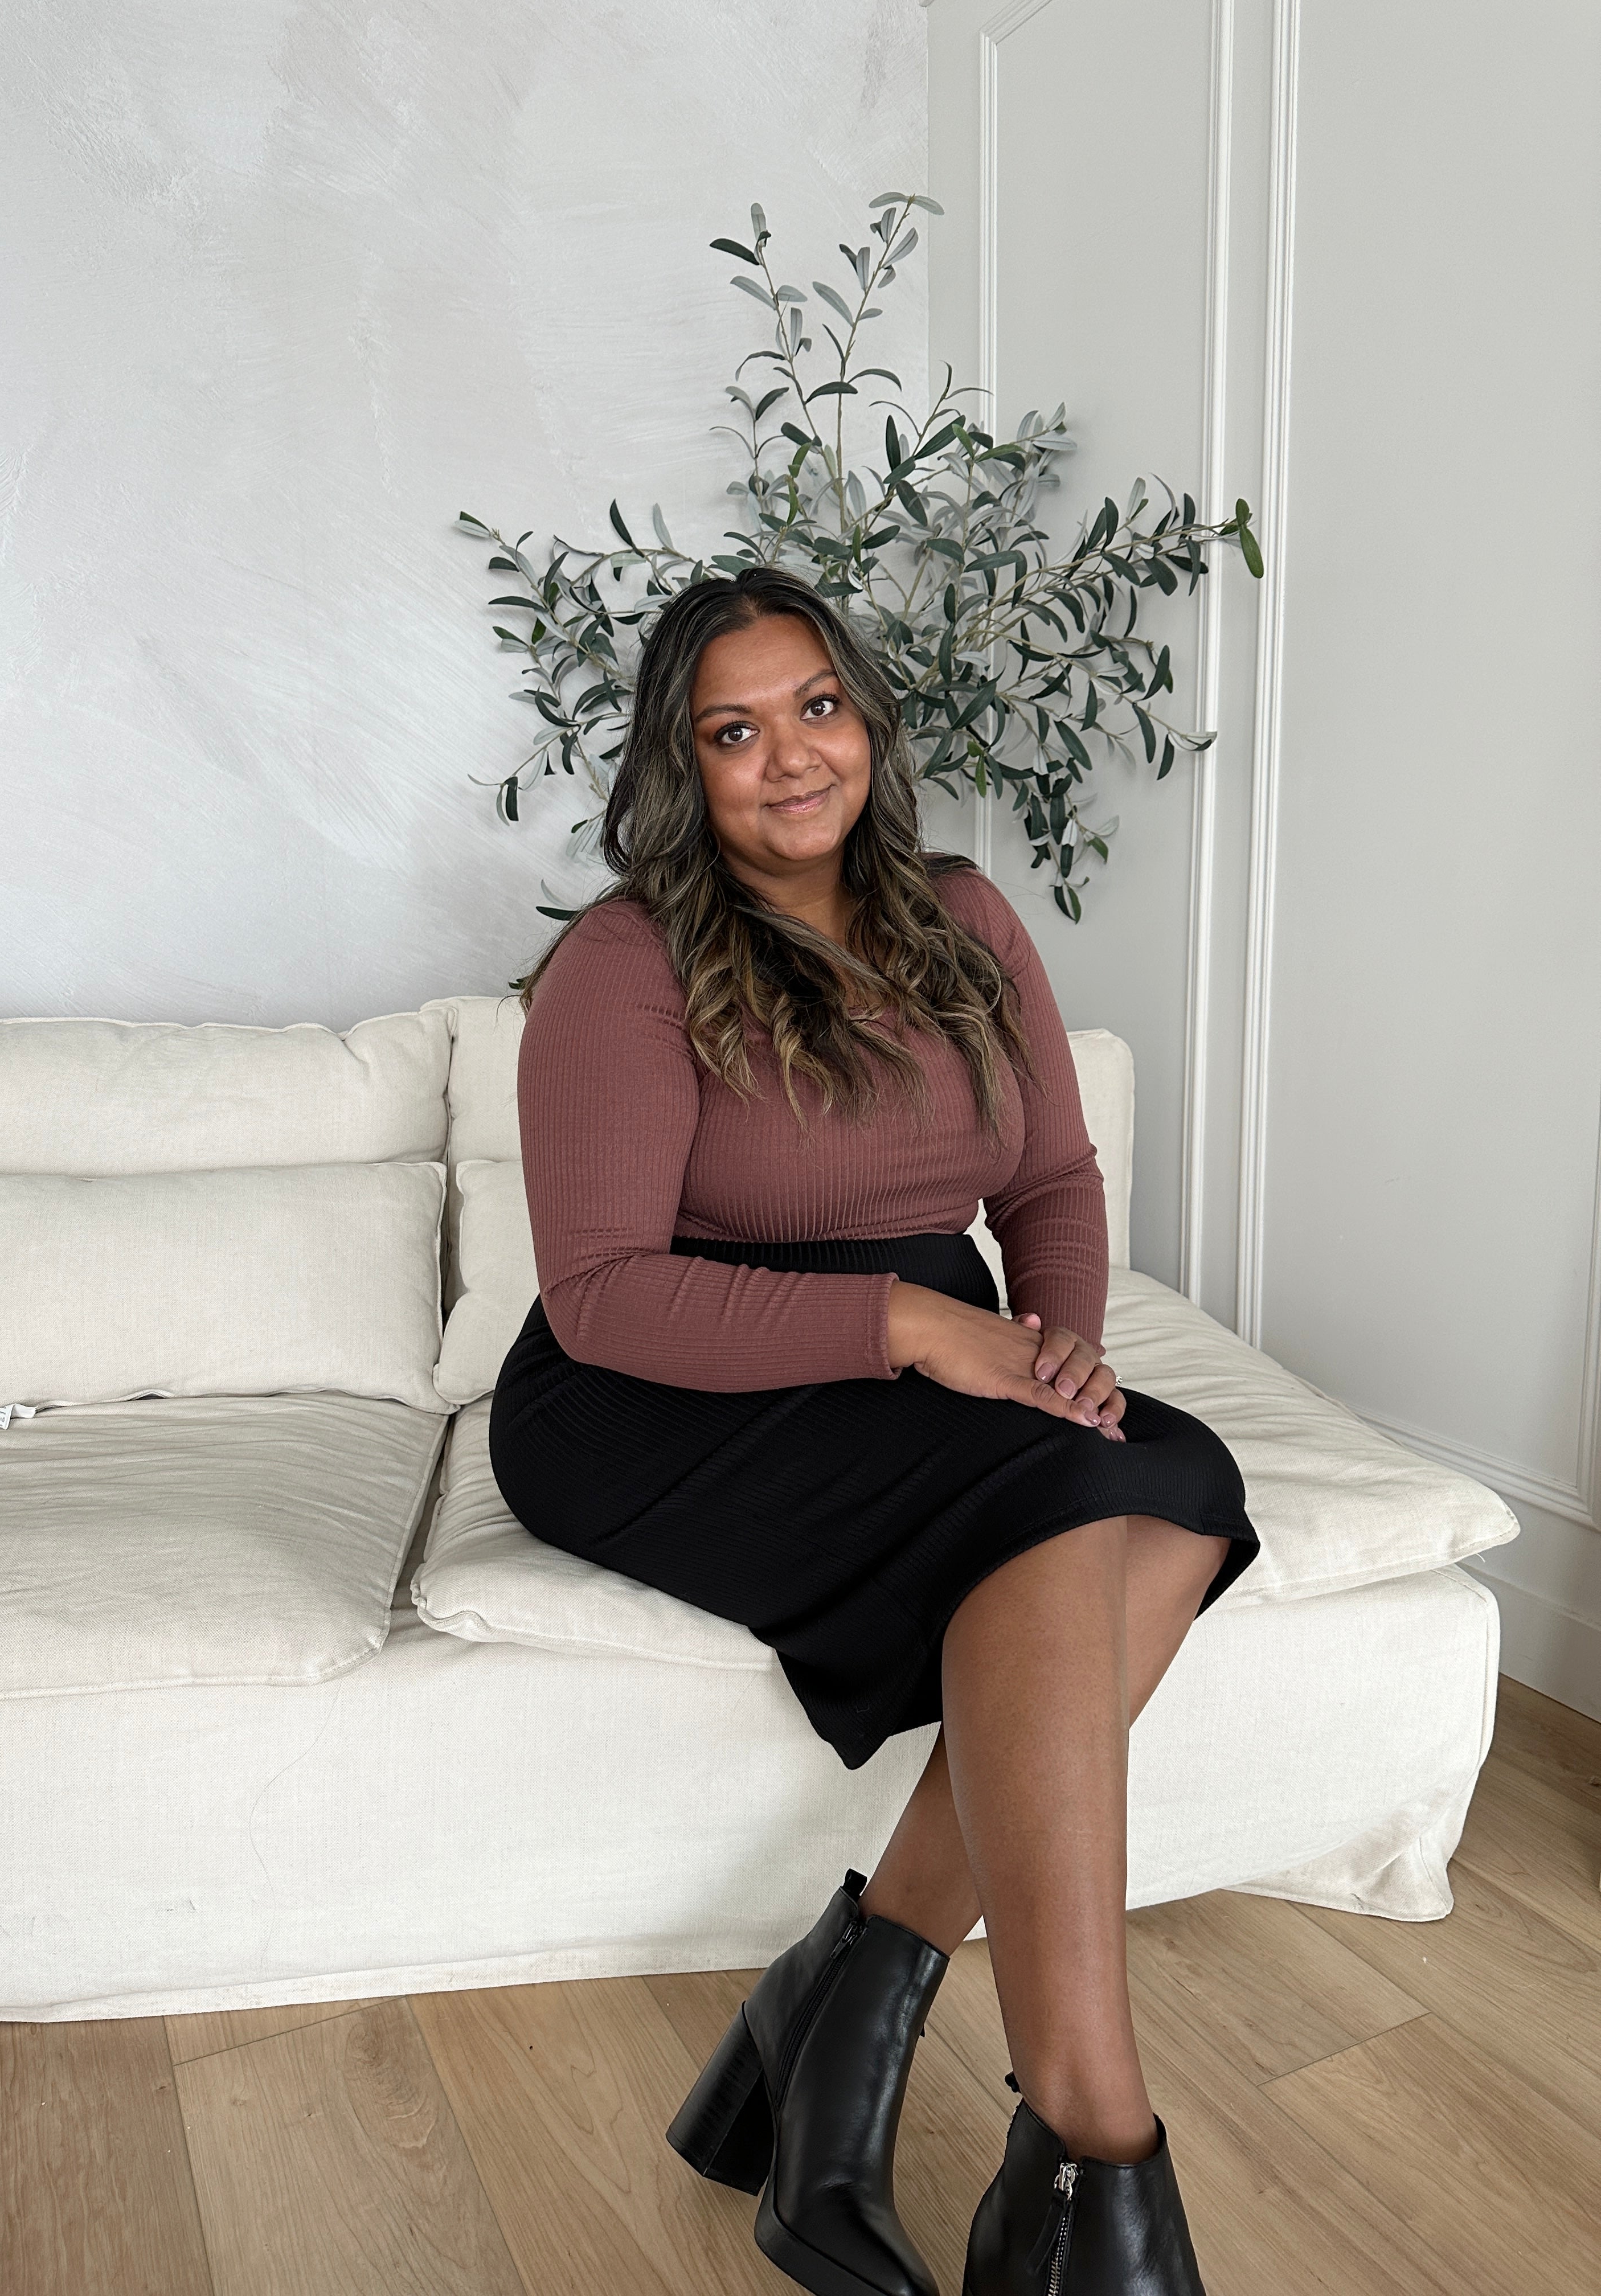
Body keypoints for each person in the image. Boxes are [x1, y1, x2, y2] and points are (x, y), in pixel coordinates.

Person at [487, 565, 1259, 2296]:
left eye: (815, 707)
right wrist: (927, 1330)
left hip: (935, 1349)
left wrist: (1049, 1344)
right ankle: (1090, 2132)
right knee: (1072, 1499)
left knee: (1179, 1475)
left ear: (868, 717)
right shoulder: (627, 962)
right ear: (683, 767)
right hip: (659, 1383)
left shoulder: (967, 918)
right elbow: (605, 1289)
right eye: (734, 731)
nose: (789, 759)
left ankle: (846, 1999)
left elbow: (1052, 1178)